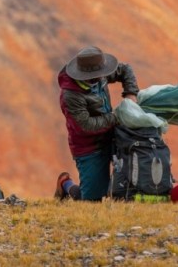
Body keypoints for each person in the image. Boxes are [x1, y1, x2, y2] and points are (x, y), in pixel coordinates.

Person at [56, 46, 139, 201]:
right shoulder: (70, 95)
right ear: (83, 75)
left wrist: (131, 94)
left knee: (124, 188)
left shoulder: (99, 73)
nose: (101, 78)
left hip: (113, 136)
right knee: (93, 201)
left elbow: (126, 69)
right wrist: (117, 116)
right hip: (89, 148)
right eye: (95, 77)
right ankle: (66, 184)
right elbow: (86, 126)